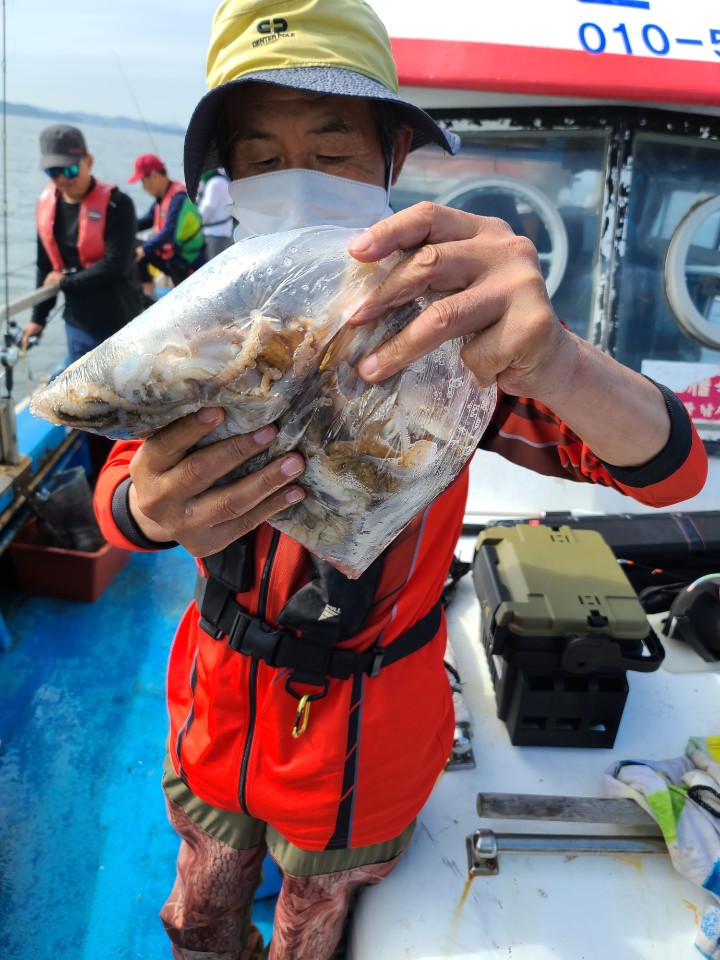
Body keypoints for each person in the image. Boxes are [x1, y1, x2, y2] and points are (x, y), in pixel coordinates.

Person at [94, 1, 709, 958]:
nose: (296, 181)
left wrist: (558, 366)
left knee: (311, 927)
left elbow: (668, 470)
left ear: (390, 160)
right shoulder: (202, 321)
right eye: (262, 156)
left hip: (364, 741)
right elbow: (124, 493)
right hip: (216, 709)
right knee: (198, 908)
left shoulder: (452, 331)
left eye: (332, 151)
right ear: (231, 177)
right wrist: (144, 507)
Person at [22, 124, 142, 364]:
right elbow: (45, 267)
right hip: (77, 322)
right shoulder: (47, 205)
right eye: (53, 172)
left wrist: (65, 282)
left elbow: (115, 265)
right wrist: (38, 318)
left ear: (89, 161)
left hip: (120, 320)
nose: (62, 179)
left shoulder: (119, 204)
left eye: (70, 170)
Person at [129, 153, 206, 293]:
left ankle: (151, 295)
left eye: (143, 181)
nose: (143, 187)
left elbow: (169, 232)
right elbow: (145, 221)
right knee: (132, 245)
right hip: (171, 257)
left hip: (186, 262)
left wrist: (145, 250)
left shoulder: (179, 198)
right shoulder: (163, 196)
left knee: (141, 250)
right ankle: (147, 294)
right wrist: (121, 227)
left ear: (154, 176)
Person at [197, 167, 234, 258]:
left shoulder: (214, 183)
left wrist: (193, 224)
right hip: (222, 235)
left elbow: (206, 211)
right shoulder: (219, 180)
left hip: (215, 237)